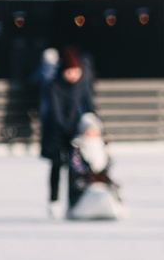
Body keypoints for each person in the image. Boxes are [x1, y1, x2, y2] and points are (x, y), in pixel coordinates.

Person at [39, 48, 95, 218]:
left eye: (76, 71)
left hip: (75, 133)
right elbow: (55, 114)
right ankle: (54, 201)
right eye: (70, 71)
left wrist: (92, 125)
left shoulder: (83, 82)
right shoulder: (54, 85)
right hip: (55, 132)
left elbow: (90, 105)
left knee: (75, 168)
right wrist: (69, 130)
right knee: (57, 166)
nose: (73, 75)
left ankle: (73, 201)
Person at [66, 113, 125, 220]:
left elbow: (109, 160)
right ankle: (76, 207)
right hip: (85, 176)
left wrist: (104, 170)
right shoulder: (78, 145)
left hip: (101, 175)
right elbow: (76, 163)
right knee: (79, 186)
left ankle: (117, 207)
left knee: (114, 187)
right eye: (89, 131)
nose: (92, 133)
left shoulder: (102, 144)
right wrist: (87, 171)